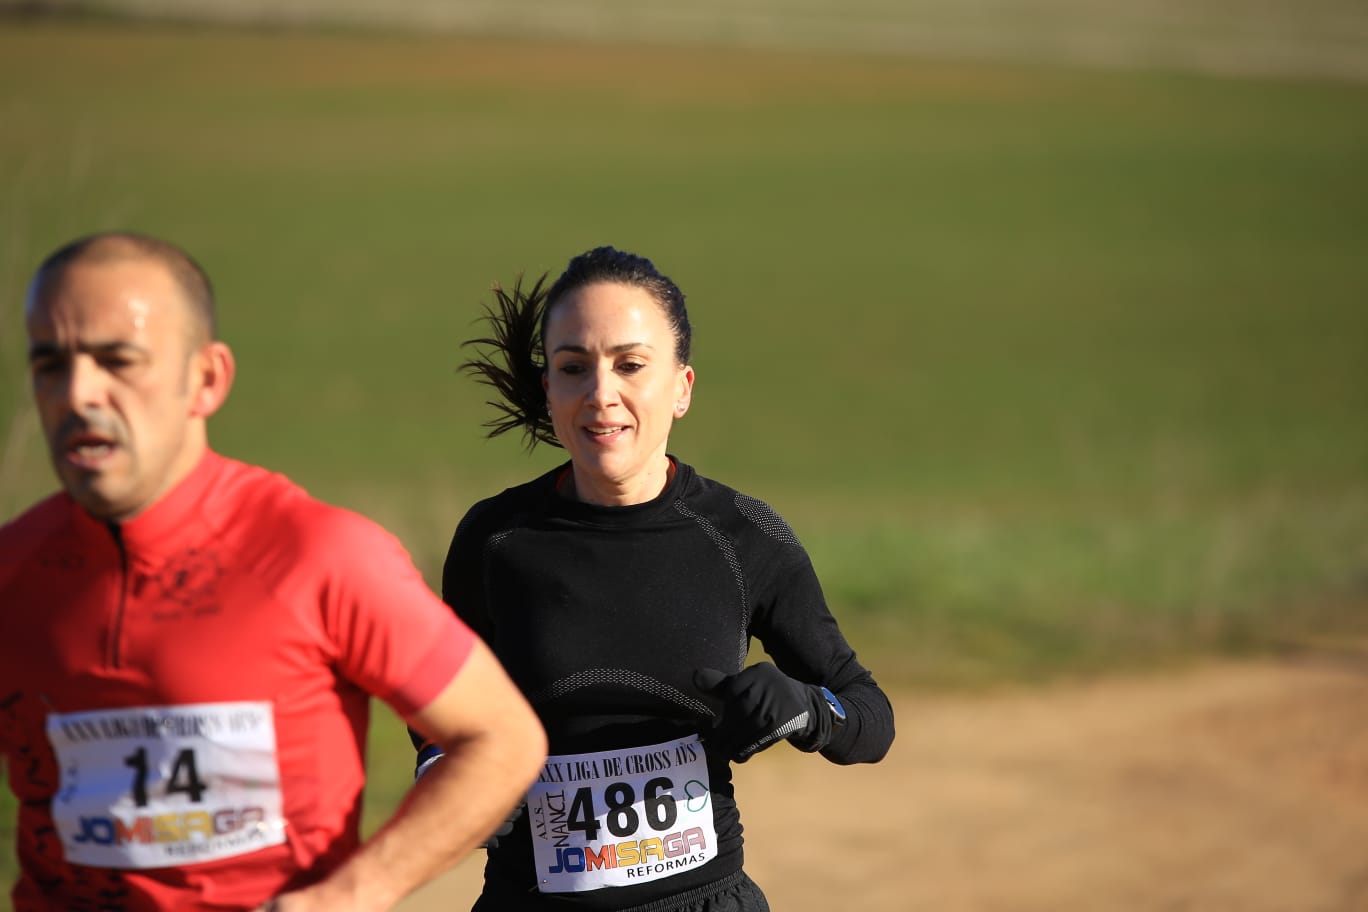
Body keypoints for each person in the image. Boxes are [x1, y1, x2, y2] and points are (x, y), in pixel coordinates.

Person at [0, 231, 548, 911]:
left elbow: (501, 739)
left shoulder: (317, 555)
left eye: (118, 360)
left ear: (206, 379)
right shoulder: (13, 571)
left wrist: (349, 895)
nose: (79, 392)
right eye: (50, 363)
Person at [412, 246, 895, 911]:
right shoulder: (495, 541)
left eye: (631, 365)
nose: (601, 393)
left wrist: (806, 710)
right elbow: (440, 720)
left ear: (681, 387)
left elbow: (869, 719)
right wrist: (452, 778)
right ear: (549, 387)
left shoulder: (743, 537)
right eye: (574, 368)